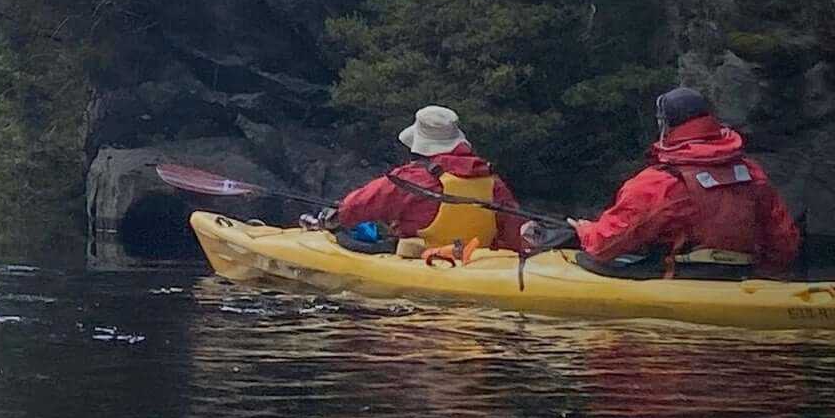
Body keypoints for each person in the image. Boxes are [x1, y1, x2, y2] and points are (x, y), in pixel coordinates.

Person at [565, 87, 802, 277]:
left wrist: (585, 231)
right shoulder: (751, 172)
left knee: (587, 259)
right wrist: (764, 275)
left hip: (681, 277)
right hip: (742, 277)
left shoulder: (661, 182)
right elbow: (784, 244)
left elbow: (605, 244)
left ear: (665, 125)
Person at [328, 105, 524, 252]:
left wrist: (334, 217)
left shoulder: (409, 178)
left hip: (424, 260)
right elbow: (514, 232)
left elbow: (357, 206)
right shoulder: (490, 179)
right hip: (475, 261)